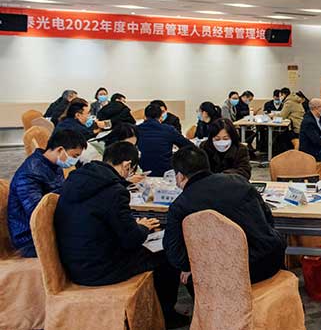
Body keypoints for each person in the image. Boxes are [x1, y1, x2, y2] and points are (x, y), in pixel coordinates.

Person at [54, 142, 187, 328]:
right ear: (127, 165)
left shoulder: (76, 180)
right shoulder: (115, 192)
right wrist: (143, 228)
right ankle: (166, 315)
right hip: (101, 269)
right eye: (132, 169)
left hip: (72, 263)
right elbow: (131, 240)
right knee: (166, 255)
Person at [163, 146, 286, 285]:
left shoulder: (180, 205)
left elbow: (175, 254)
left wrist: (190, 266)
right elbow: (268, 218)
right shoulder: (239, 181)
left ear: (180, 176)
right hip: (271, 259)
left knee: (189, 275)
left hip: (230, 274)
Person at [7, 129, 86, 257]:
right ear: (60, 150)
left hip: (49, 228)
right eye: (74, 156)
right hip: (30, 239)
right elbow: (38, 213)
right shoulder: (30, 173)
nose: (75, 161)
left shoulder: (53, 165)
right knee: (89, 243)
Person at [138, 103, 193, 176]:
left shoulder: (137, 129)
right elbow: (188, 145)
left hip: (143, 170)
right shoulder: (168, 129)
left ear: (145, 116)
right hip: (165, 170)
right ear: (161, 116)